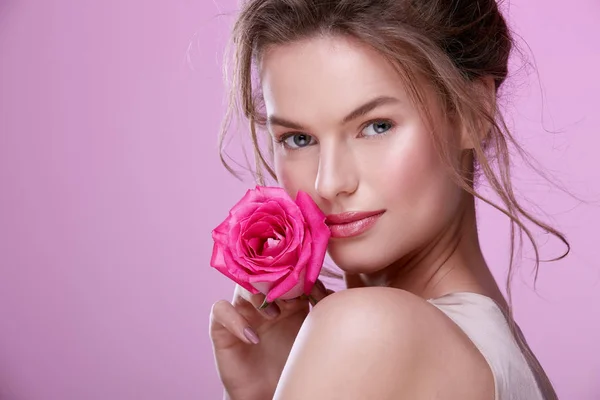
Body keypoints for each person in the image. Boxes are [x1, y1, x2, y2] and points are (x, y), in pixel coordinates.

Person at [208, 0, 569, 399]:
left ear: (473, 112)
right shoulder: (498, 354)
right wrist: (261, 389)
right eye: (298, 139)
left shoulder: (369, 329)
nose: (329, 183)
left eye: (376, 126)